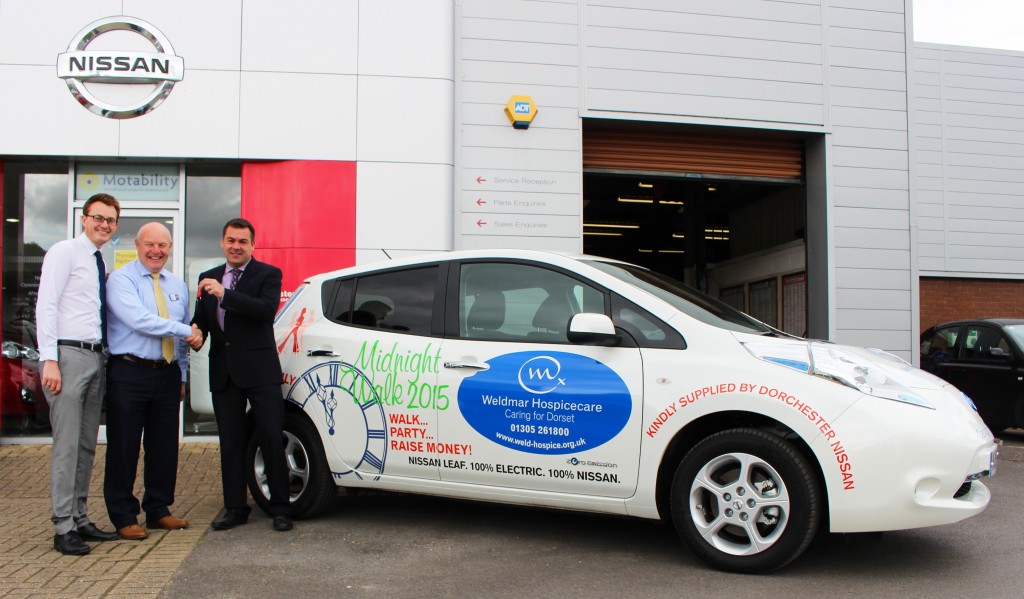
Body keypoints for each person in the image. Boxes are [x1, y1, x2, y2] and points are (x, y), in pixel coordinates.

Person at [189, 218, 293, 532]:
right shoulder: (207, 277)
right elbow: (203, 318)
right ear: (223, 243)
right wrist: (197, 332)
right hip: (224, 372)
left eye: (242, 241)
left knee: (272, 437)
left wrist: (225, 294)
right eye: (231, 240)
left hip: (260, 371)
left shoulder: (268, 274)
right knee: (231, 442)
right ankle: (235, 507)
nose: (236, 246)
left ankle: (280, 508)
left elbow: (265, 310)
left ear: (252, 245)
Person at [35, 193, 122, 555]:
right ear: (84, 219)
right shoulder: (64, 251)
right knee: (67, 446)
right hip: (67, 356)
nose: (104, 225)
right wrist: (49, 359)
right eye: (98, 218)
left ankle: (80, 518)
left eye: (111, 220)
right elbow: (47, 304)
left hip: (94, 357)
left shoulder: (100, 260)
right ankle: (62, 526)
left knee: (87, 445)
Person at [103, 223, 200, 540]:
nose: (156, 251)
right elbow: (140, 321)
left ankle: (158, 509)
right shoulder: (121, 279)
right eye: (150, 244)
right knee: (124, 446)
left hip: (167, 373)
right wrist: (187, 331)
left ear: (170, 246)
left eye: (163, 245)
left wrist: (182, 373)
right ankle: (123, 515)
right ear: (137, 244)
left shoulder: (175, 284)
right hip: (130, 371)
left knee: (164, 446)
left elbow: (181, 332)